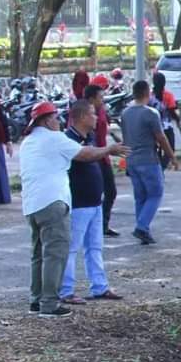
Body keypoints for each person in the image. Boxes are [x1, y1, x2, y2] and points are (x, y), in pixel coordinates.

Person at [20, 100, 127, 317]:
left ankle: (36, 299)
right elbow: (85, 154)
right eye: (56, 118)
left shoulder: (28, 142)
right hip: (53, 202)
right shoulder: (55, 139)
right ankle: (49, 304)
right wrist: (109, 149)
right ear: (48, 120)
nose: (59, 122)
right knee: (55, 253)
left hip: (32, 204)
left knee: (39, 254)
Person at [59, 100, 123, 305]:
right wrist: (108, 149)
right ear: (82, 117)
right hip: (79, 203)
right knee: (71, 248)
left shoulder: (91, 137)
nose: (96, 118)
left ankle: (100, 286)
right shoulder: (68, 139)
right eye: (93, 114)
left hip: (95, 202)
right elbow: (86, 156)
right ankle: (66, 290)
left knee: (95, 247)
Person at [121, 79, 177, 245]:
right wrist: (172, 156)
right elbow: (161, 137)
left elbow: (125, 138)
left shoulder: (125, 113)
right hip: (148, 159)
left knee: (140, 196)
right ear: (147, 93)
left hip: (132, 159)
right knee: (155, 193)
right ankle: (142, 226)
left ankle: (142, 227)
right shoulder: (151, 113)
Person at [84, 83, 120, 236]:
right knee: (95, 194)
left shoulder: (101, 111)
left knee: (110, 191)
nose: (102, 100)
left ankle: (103, 224)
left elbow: (105, 129)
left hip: (103, 155)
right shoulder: (84, 114)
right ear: (91, 99)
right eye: (100, 97)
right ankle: (94, 225)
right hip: (93, 156)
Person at [150, 72, 179, 169]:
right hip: (166, 127)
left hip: (153, 128)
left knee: (155, 150)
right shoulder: (168, 95)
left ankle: (158, 168)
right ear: (164, 82)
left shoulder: (150, 96)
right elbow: (172, 111)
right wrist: (178, 120)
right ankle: (161, 168)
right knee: (170, 149)